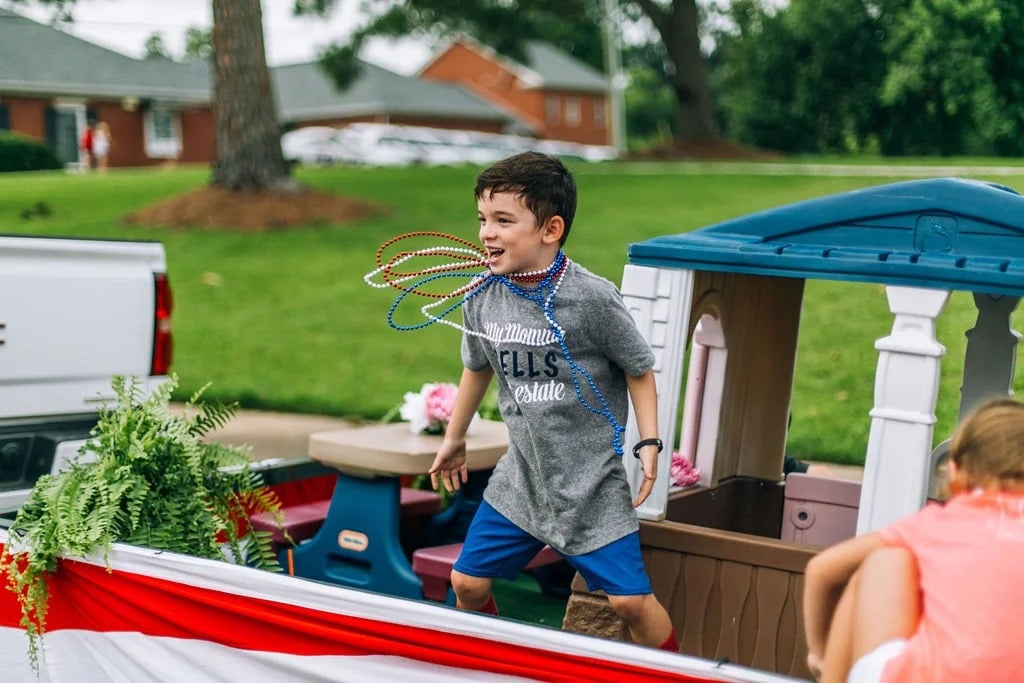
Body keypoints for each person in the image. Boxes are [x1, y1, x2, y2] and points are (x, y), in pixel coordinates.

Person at [428, 151, 677, 652]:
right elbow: (478, 366)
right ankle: (492, 663)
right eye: (482, 219)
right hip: (523, 477)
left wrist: (648, 441)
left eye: (503, 220)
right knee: (467, 584)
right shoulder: (483, 294)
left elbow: (638, 367)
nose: (487, 233)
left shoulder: (592, 299)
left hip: (589, 484)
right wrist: (454, 438)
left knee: (630, 604)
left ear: (551, 228)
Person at [803, 398, 1024, 682]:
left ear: (955, 470)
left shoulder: (940, 525)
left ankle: (828, 674)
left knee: (884, 561)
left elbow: (821, 570)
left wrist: (819, 653)